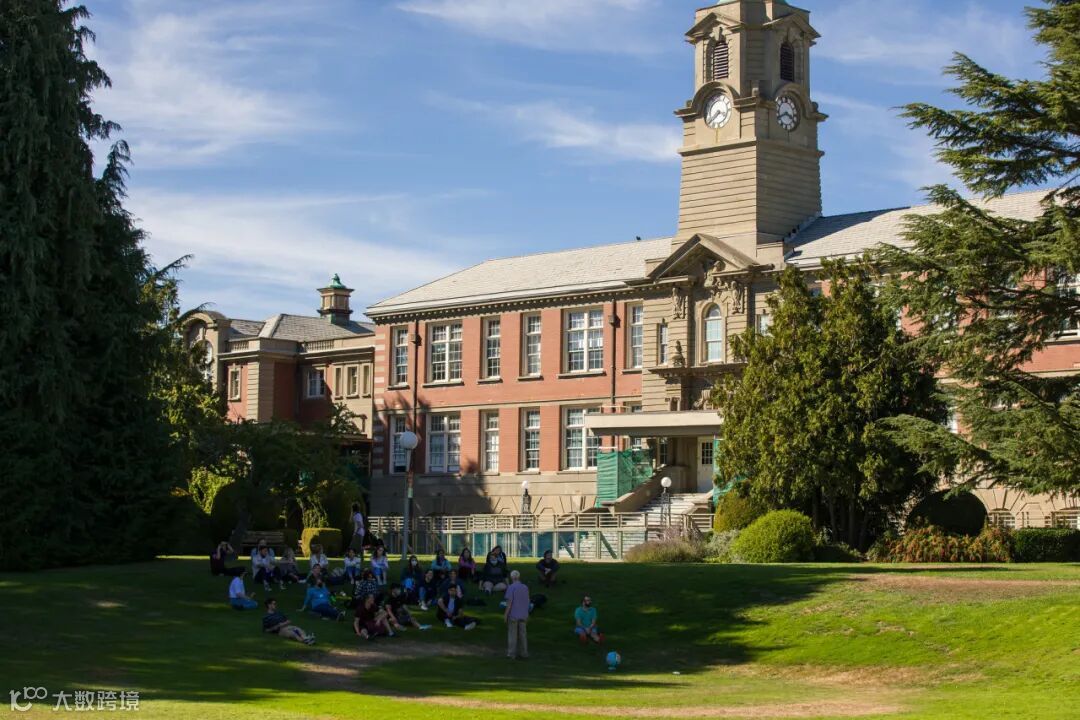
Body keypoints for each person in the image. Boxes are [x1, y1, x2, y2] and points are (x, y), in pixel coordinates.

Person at [504, 570, 529, 659]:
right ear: (519, 577)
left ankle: (511, 653)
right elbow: (527, 601)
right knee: (523, 635)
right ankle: (524, 653)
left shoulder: (511, 587)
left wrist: (506, 615)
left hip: (513, 615)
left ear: (512, 577)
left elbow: (509, 603)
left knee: (512, 635)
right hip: (523, 614)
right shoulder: (525, 587)